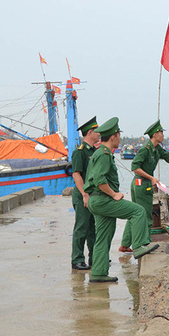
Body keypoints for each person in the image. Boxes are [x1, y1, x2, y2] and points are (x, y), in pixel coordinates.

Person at [84, 118, 158, 283]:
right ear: (113, 137)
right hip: (103, 199)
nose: (119, 138)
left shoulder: (102, 153)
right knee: (138, 211)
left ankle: (98, 273)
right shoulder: (103, 154)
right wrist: (113, 194)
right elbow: (99, 180)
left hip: (97, 201)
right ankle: (139, 246)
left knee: (104, 236)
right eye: (118, 135)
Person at [120, 120, 169, 252]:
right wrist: (151, 178)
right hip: (141, 184)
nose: (163, 135)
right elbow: (135, 167)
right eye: (161, 133)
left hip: (144, 183)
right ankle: (145, 242)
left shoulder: (157, 149)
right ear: (155, 134)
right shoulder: (145, 149)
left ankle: (125, 245)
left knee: (134, 213)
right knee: (145, 214)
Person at [70, 116, 100, 270]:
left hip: (92, 195)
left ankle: (95, 258)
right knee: (82, 227)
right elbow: (77, 175)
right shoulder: (80, 152)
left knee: (92, 228)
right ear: (90, 132)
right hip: (83, 195)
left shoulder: (95, 151)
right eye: (97, 131)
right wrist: (84, 195)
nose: (99, 133)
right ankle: (77, 259)